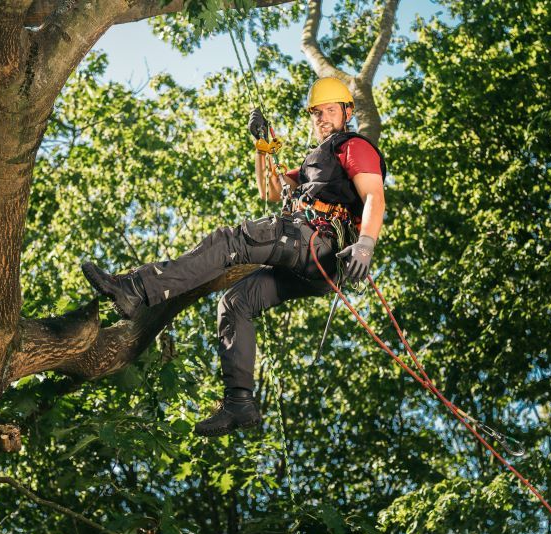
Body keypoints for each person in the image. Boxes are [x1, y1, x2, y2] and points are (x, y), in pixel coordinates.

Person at [82, 77, 387, 437]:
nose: (321, 118)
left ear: (346, 113)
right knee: (235, 302)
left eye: (329, 111)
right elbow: (271, 191)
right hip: (312, 261)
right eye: (316, 113)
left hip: (319, 245)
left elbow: (373, 196)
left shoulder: (353, 147)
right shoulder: (313, 164)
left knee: (232, 240)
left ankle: (136, 288)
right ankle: (240, 403)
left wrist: (366, 243)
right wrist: (262, 147)